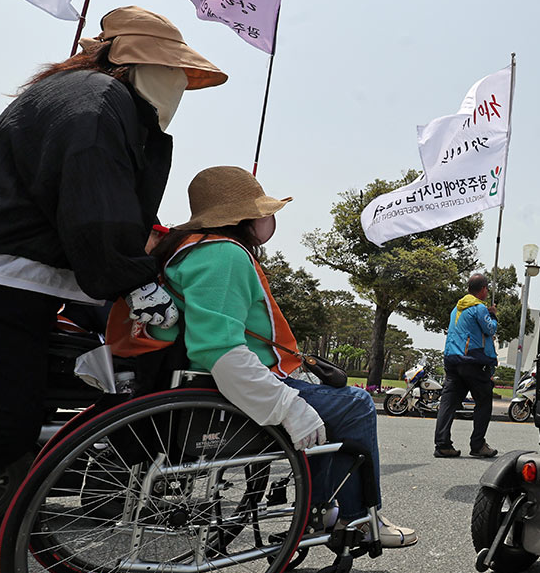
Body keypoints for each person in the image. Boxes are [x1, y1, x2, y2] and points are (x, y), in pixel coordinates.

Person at [0, 7, 225, 573]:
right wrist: (139, 284)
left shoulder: (86, 97)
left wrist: (110, 295)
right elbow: (96, 212)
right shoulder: (98, 100)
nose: (182, 89)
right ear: (137, 61)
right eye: (176, 73)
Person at [145, 165, 417, 546]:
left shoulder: (187, 250)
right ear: (242, 218)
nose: (267, 219)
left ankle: (323, 509)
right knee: (354, 404)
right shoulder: (224, 255)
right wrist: (289, 408)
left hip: (206, 390)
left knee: (331, 403)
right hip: (222, 398)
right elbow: (218, 350)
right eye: (260, 211)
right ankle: (354, 520)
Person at [434, 274, 500, 459]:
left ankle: (443, 445)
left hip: (452, 359)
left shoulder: (457, 308)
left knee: (448, 402)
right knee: (484, 400)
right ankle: (478, 445)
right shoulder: (479, 308)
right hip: (472, 360)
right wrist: (492, 315)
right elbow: (490, 329)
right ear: (484, 289)